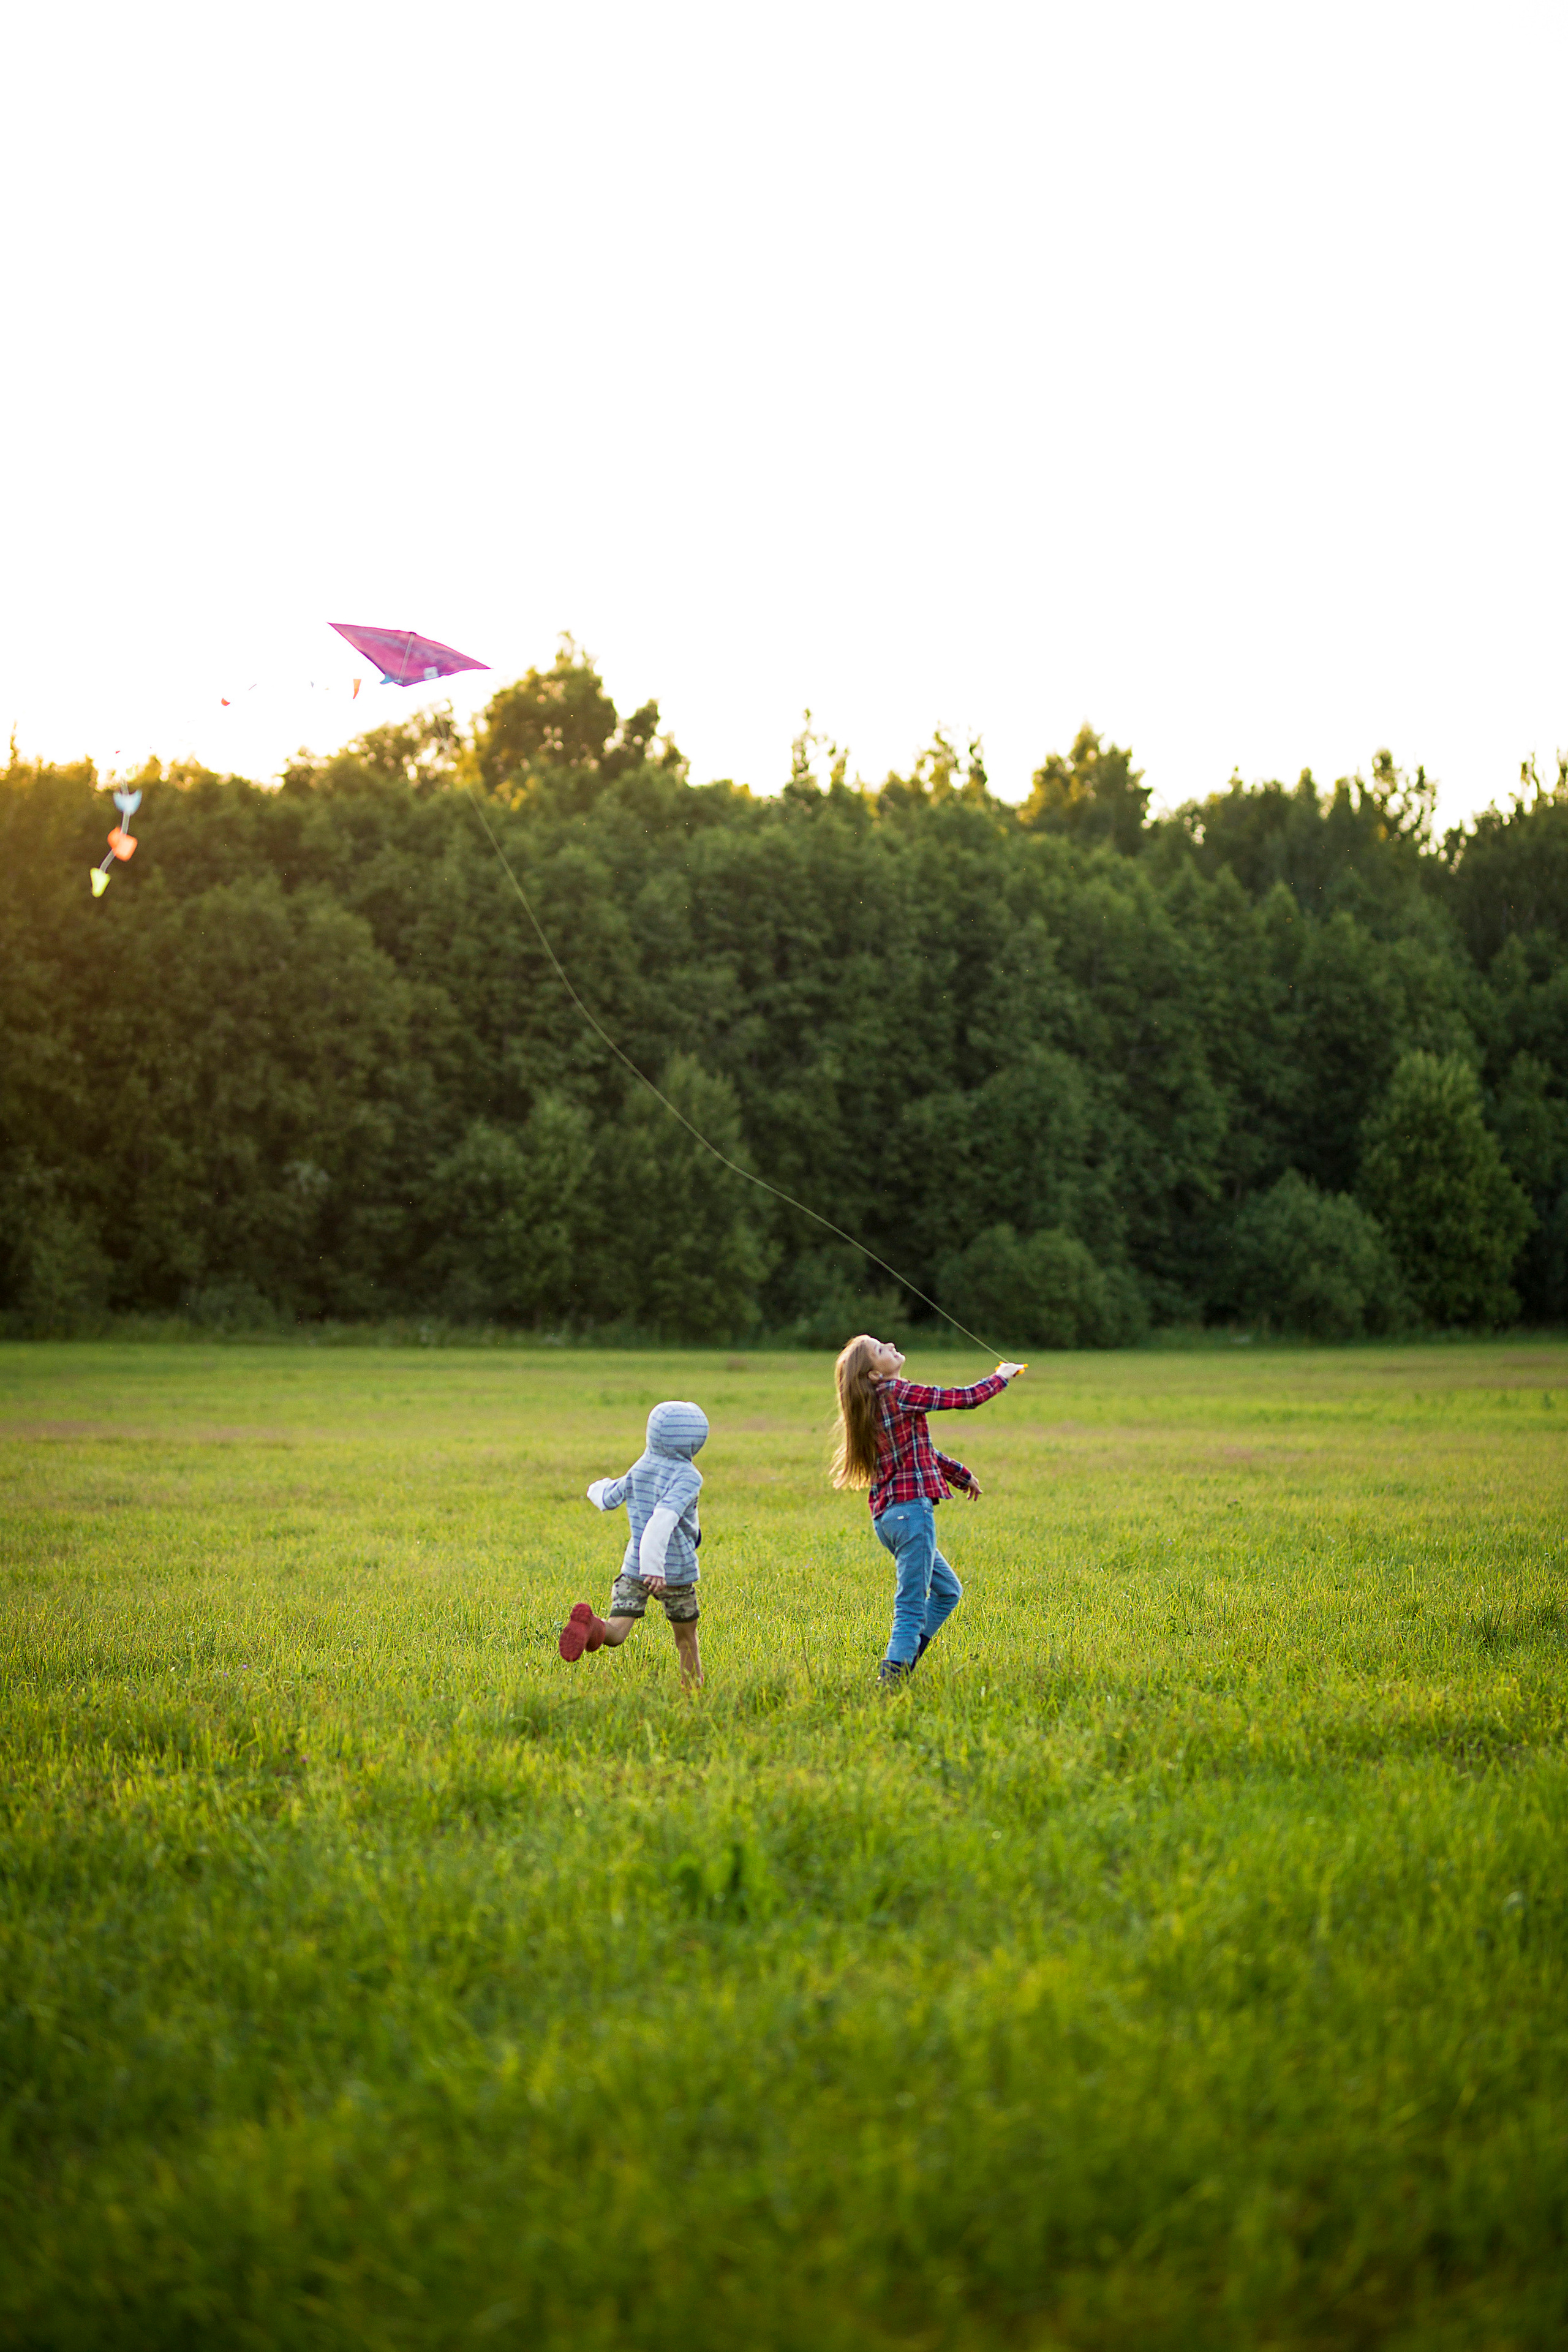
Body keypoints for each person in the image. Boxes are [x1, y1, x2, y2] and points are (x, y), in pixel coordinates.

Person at [832, 1335, 1025, 1687]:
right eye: (880, 1351)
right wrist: (1002, 1376)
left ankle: (905, 1662)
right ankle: (891, 1680)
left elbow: (921, 1453)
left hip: (889, 1519)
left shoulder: (873, 1405)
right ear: (875, 1375)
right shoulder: (898, 1393)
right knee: (909, 1604)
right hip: (911, 1515)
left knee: (949, 1591)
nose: (889, 1345)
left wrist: (961, 1476)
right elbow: (963, 1398)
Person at [559, 1400, 709, 1686]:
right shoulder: (688, 1476)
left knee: (616, 1632)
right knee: (686, 1638)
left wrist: (594, 1488)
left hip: (633, 1568)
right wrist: (656, 1569)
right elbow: (662, 1520)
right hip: (672, 1573)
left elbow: (608, 1497)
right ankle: (693, 1693)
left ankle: (593, 1626)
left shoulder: (642, 1467)